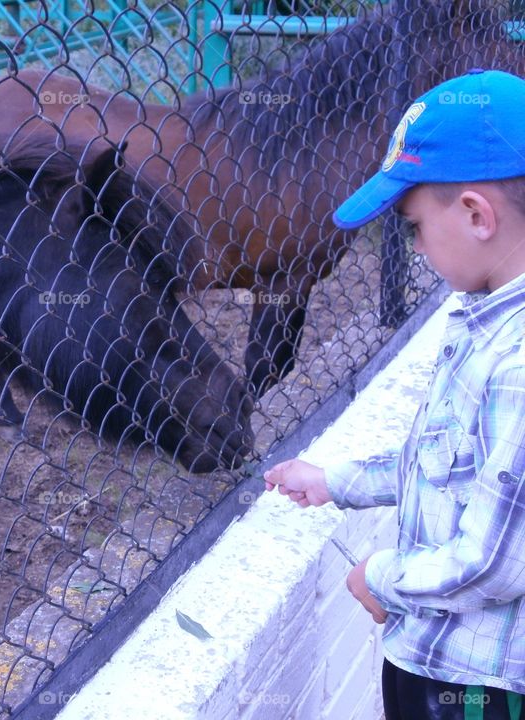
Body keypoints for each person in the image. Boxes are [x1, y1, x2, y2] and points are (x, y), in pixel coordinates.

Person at [264, 69, 525, 720]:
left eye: (411, 227)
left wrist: (379, 576)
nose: (409, 246)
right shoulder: (481, 314)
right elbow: (447, 460)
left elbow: (493, 565)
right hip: (433, 660)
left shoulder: (518, 363)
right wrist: (336, 480)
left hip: (473, 692)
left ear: (475, 214)